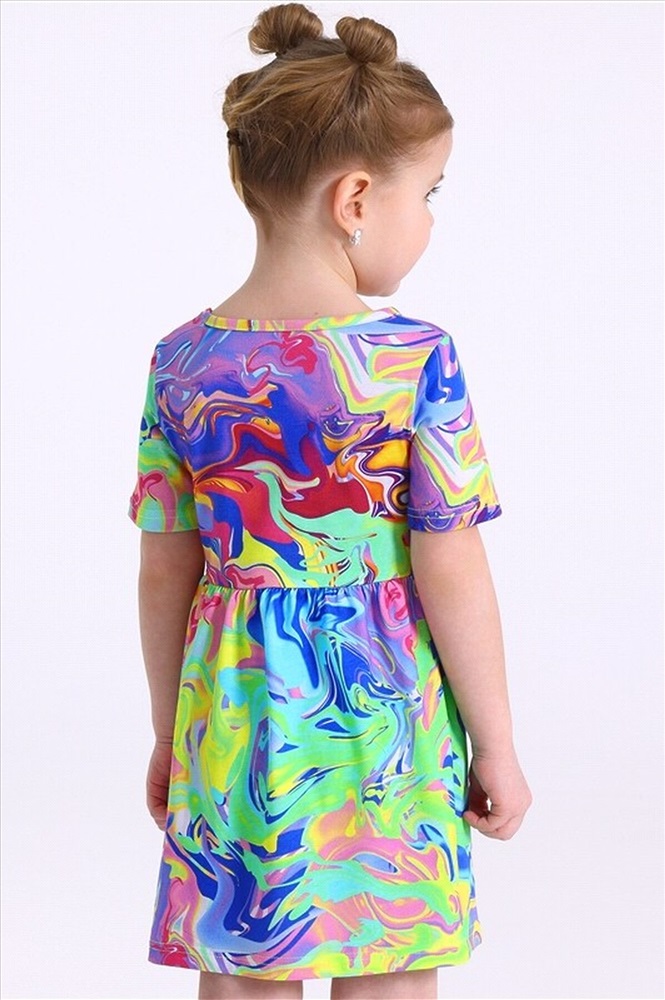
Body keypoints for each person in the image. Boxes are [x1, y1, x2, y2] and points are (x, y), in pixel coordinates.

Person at [127, 5, 533, 999]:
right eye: (426, 193)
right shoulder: (411, 361)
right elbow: (448, 560)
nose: (428, 218)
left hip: (233, 714)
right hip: (382, 713)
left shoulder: (182, 362)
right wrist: (495, 743)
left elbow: (165, 567)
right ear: (355, 197)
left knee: (243, 963)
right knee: (385, 956)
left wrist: (170, 732)